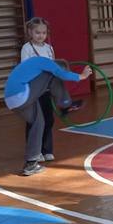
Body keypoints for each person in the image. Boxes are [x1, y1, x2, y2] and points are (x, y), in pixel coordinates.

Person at [4, 56, 91, 176]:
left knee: (39, 123)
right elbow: (60, 73)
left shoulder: (34, 68)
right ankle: (66, 104)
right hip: (22, 93)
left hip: (11, 100)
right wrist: (82, 76)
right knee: (54, 75)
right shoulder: (45, 62)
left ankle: (31, 164)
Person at [19, 17, 82, 162]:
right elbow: (25, 68)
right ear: (30, 32)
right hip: (33, 90)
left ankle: (46, 150)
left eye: (44, 33)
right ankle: (34, 151)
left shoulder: (49, 48)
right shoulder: (27, 48)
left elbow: (53, 67)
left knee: (48, 119)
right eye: (37, 32)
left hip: (46, 89)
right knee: (35, 121)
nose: (41, 35)